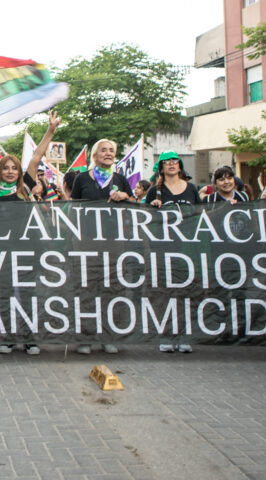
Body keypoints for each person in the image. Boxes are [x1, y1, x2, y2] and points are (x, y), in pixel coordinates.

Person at [68, 139, 133, 355]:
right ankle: (85, 337)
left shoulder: (121, 180)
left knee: (112, 288)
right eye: (103, 150)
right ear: (94, 156)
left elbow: (134, 205)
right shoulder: (82, 178)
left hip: (113, 241)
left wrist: (126, 196)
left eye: (111, 150)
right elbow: (72, 207)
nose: (108, 153)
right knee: (86, 288)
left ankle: (108, 336)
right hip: (86, 240)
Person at [0, 154, 42, 356]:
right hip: (3, 250)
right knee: (5, 294)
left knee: (27, 294)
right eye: (5, 168)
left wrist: (50, 131)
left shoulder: (25, 190)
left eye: (14, 168)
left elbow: (36, 158)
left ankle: (29, 338)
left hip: (27, 250)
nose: (10, 171)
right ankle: (8, 337)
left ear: (19, 172)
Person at [145, 152, 199, 354]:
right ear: (161, 168)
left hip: (187, 248)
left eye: (174, 162)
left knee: (186, 293)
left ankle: (184, 334)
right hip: (163, 248)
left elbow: (202, 215)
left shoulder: (192, 189)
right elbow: (145, 219)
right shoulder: (154, 192)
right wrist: (152, 209)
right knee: (164, 294)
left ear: (180, 165)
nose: (171, 165)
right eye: (166, 163)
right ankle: (166, 334)